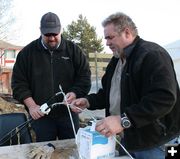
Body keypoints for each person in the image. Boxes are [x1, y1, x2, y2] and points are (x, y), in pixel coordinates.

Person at [71, 12, 180, 159]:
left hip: (156, 143)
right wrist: (88, 101)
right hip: (127, 139)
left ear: (127, 33)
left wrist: (123, 120)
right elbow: (109, 93)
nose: (107, 43)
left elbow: (164, 98)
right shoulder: (116, 60)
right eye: (106, 38)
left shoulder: (152, 55)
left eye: (110, 37)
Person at [11, 12, 91, 142]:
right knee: (43, 151)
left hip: (68, 114)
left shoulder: (74, 51)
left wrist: (75, 93)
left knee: (72, 149)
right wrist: (31, 106)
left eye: (55, 34)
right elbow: (18, 83)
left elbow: (84, 77)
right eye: (47, 34)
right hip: (40, 116)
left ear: (61, 30)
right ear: (41, 31)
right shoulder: (27, 54)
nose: (52, 38)